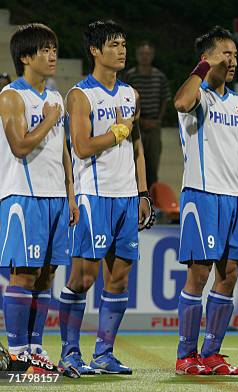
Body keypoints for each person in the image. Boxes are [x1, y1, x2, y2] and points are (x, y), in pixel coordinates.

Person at [58, 20, 154, 375]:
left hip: (127, 197)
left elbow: (138, 147)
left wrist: (143, 192)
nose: (122, 50)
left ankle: (104, 354)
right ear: (95, 51)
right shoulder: (80, 95)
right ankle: (69, 352)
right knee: (82, 278)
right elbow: (81, 147)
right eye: (114, 44)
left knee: (119, 279)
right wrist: (115, 134)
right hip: (93, 196)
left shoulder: (132, 95)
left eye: (123, 43)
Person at [172, 26, 238, 376]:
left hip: (235, 200)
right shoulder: (197, 97)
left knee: (229, 275)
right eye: (227, 53)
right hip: (201, 195)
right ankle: (185, 356)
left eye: (235, 54)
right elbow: (180, 102)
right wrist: (201, 69)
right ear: (208, 57)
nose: (233, 60)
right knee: (199, 275)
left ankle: (211, 353)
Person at [0, 23, 78, 366]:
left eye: (54, 49)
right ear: (25, 57)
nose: (52, 56)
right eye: (44, 50)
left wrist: (71, 194)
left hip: (56, 198)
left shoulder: (56, 97)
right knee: (25, 273)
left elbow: (63, 151)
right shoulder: (11, 96)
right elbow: (19, 146)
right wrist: (47, 121)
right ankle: (16, 350)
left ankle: (35, 347)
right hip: (23, 196)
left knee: (47, 274)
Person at [124, 40, 171, 188]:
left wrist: (157, 120)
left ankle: (152, 201)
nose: (145, 57)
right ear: (137, 55)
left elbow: (165, 99)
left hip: (154, 125)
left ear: (152, 55)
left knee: (152, 164)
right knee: (134, 162)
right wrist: (139, 120)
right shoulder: (130, 76)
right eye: (142, 54)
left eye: (148, 54)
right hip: (136, 124)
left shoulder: (160, 76)